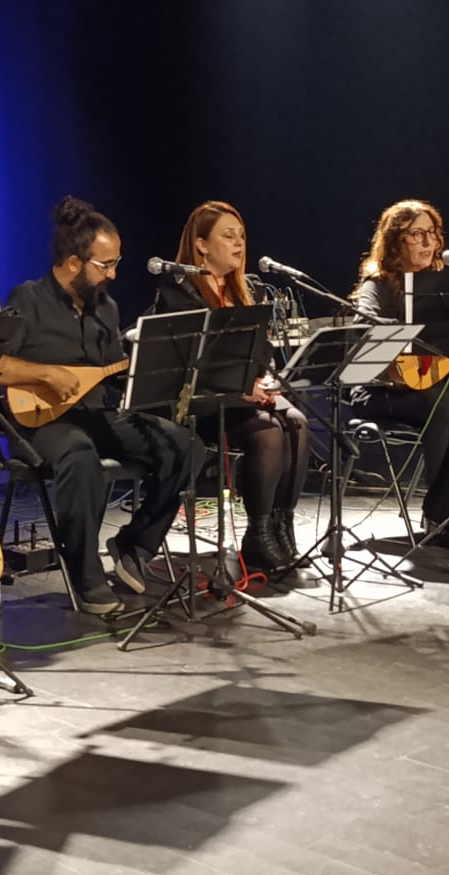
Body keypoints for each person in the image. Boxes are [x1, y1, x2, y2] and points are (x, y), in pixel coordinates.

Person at [0, 196, 202, 615]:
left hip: (98, 415)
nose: (113, 274)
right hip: (40, 424)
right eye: (105, 265)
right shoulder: (28, 299)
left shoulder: (107, 308)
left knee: (184, 444)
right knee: (79, 454)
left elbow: (114, 372)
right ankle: (85, 573)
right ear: (73, 263)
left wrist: (147, 363)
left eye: (116, 263)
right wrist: (46, 374)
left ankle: (135, 543)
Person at [150, 200, 315, 587]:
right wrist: (243, 388)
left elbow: (260, 354)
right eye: (228, 236)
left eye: (241, 235)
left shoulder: (248, 288)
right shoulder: (178, 292)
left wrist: (264, 383)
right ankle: (257, 536)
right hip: (202, 401)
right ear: (202, 245)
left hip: (245, 394)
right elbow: (189, 367)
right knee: (268, 432)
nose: (239, 243)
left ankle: (281, 528)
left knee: (297, 422)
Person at [349, 199, 449, 541]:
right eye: (416, 234)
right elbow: (364, 330)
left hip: (431, 385)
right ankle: (439, 518)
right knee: (443, 406)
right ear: (395, 241)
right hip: (379, 390)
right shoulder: (377, 284)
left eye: (432, 233)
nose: (428, 242)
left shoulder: (445, 286)